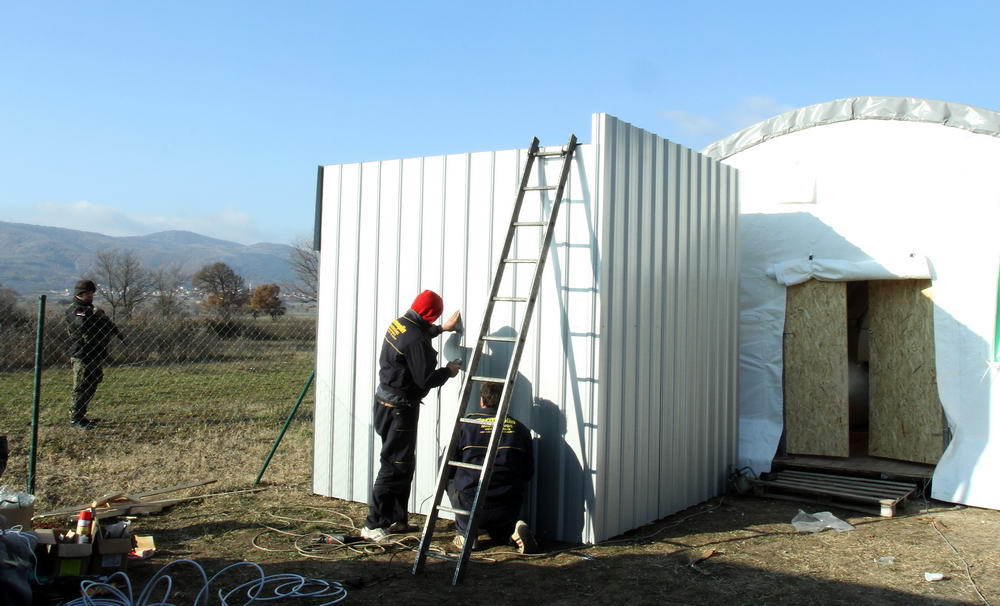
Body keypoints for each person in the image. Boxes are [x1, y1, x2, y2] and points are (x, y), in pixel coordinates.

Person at [361, 290, 461, 542]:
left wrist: (442, 329)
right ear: (431, 314)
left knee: (403, 463)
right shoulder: (416, 338)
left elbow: (418, 334)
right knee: (394, 465)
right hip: (399, 409)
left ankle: (397, 519)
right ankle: (373, 525)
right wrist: (448, 372)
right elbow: (425, 379)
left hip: (385, 403)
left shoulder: (401, 324)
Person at [448, 381, 537, 554]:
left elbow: (449, 468)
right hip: (507, 503)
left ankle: (467, 533)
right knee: (500, 530)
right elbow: (528, 473)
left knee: (446, 468)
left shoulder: (466, 424)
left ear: (482, 401)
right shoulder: (521, 430)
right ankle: (512, 531)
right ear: (506, 401)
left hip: (471, 502)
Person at [65, 279, 124, 429]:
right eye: (88, 293)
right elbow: (82, 325)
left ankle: (81, 415)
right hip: (82, 353)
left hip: (96, 352)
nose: (91, 295)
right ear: (80, 293)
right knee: (81, 385)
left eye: (92, 293)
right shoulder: (75, 309)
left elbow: (105, 326)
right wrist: (95, 316)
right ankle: (75, 418)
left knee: (93, 383)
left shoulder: (89, 309)